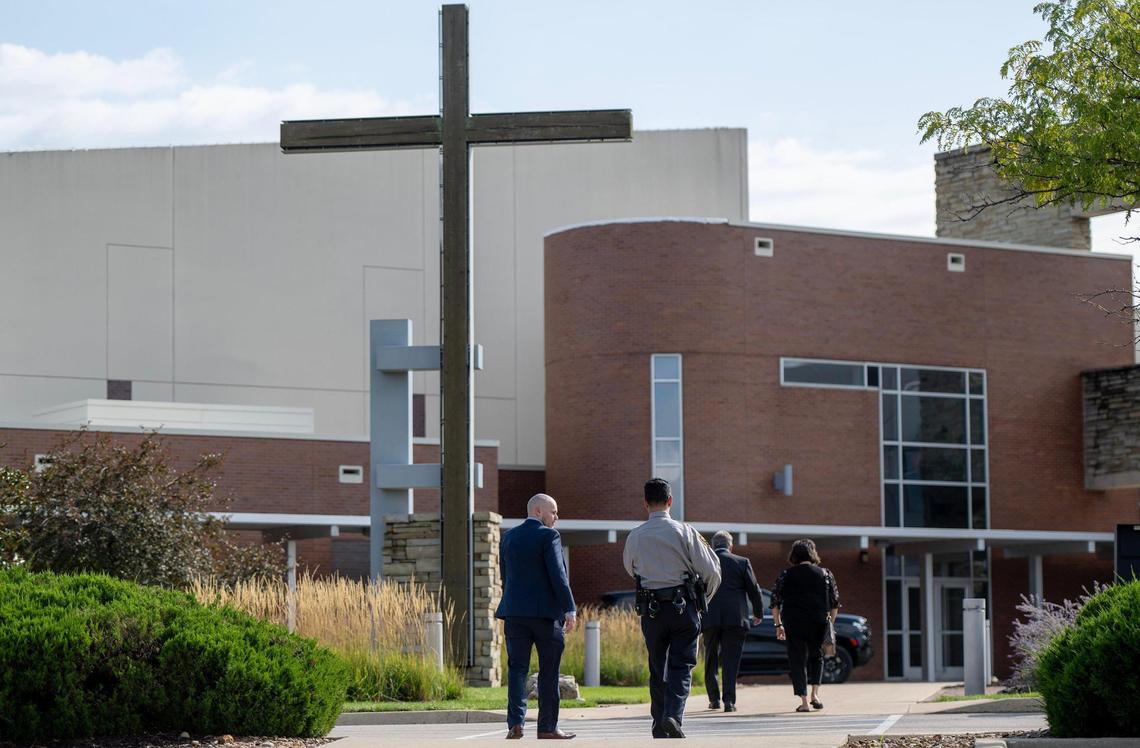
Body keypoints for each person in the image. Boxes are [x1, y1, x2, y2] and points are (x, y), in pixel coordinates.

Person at [623, 478, 721, 739]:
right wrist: (703, 602)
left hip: (651, 609)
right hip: (683, 607)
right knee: (681, 665)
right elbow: (712, 571)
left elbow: (630, 569)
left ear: (645, 503)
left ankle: (658, 724)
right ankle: (673, 716)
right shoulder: (685, 531)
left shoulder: (635, 536)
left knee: (657, 667)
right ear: (670, 501)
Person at [496, 493, 578, 740]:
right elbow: (558, 575)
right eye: (553, 512)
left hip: (514, 614)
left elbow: (505, 576)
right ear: (539, 511)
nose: (557, 517)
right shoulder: (549, 535)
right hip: (545, 616)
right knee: (549, 671)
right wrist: (570, 609)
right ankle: (547, 727)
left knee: (517, 670)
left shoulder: (508, 537)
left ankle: (516, 725)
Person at [769, 538, 840, 713]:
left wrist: (778, 625)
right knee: (817, 656)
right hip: (818, 621)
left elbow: (774, 602)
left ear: (794, 555)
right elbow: (835, 603)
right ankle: (815, 694)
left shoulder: (786, 574)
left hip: (793, 622)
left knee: (797, 659)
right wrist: (830, 623)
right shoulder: (825, 574)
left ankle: (804, 701)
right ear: (812, 553)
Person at [702, 530, 764, 713]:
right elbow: (754, 590)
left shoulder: (704, 562)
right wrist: (758, 613)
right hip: (735, 618)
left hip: (710, 617)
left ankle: (714, 700)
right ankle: (729, 701)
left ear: (713, 546)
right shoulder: (742, 562)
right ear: (731, 546)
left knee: (710, 658)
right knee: (731, 660)